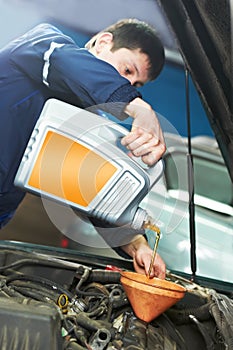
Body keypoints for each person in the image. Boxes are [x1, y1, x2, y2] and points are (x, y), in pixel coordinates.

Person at [0, 19, 166, 278]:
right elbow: (66, 62)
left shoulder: (80, 122)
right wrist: (139, 107)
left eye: (135, 85)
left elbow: (93, 189)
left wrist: (137, 245)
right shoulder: (42, 45)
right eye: (127, 70)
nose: (127, 84)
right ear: (103, 43)